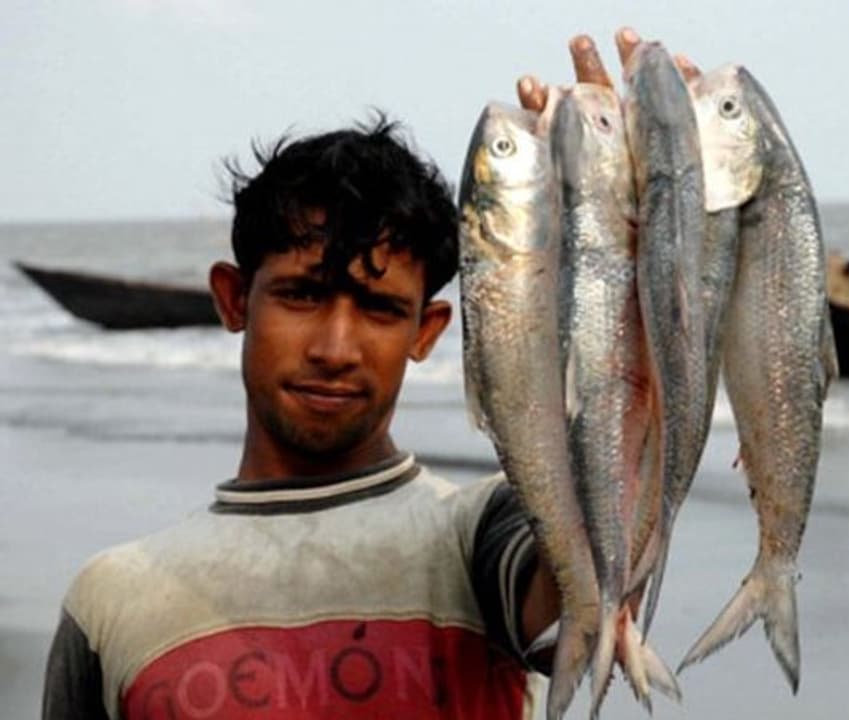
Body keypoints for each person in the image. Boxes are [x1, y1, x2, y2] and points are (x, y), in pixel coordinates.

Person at [42, 29, 653, 719]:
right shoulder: (111, 599)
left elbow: (580, 597)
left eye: (378, 308)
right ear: (235, 299)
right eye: (303, 295)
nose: (336, 347)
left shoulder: (480, 534)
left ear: (427, 331)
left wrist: (634, 261)